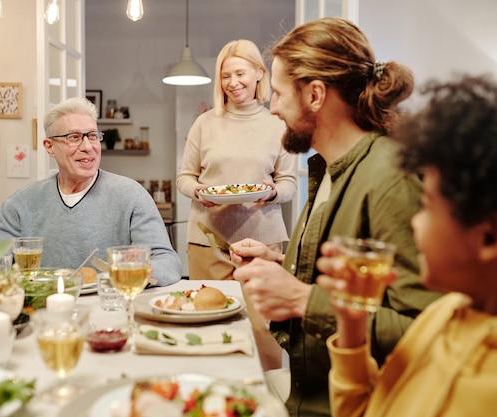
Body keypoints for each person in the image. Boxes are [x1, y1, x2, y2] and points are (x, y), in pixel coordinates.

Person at [231, 18, 443, 416]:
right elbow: (361, 284)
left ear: (315, 94)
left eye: (277, 94)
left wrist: (301, 298)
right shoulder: (329, 168)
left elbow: (432, 331)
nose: (272, 107)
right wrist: (282, 265)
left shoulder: (391, 179)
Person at [316, 74, 497, 417]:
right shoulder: (442, 315)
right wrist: (352, 329)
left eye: (427, 205)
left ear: (487, 237)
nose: (414, 220)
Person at [0, 97, 182, 287]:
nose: (88, 147)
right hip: (43, 310)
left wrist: (144, 269)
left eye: (92, 136)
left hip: (111, 310)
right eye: (74, 137)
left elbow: (168, 261)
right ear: (50, 147)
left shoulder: (132, 195)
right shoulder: (20, 204)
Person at [176, 39, 297, 281]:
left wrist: (273, 193)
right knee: (207, 312)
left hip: (263, 242)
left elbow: (289, 183)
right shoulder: (204, 123)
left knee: (261, 317)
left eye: (240, 73)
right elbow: (184, 177)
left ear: (260, 73)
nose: (233, 83)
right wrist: (198, 190)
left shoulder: (279, 124)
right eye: (225, 76)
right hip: (208, 239)